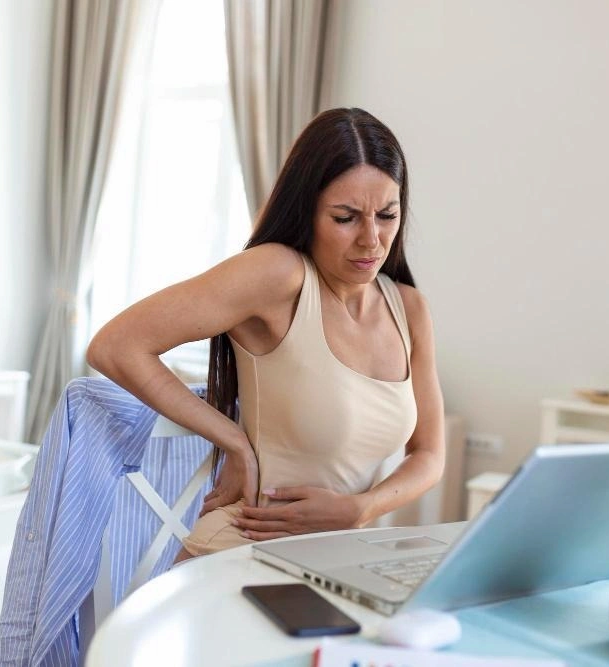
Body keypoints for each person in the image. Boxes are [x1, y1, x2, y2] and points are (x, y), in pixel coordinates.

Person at [86, 107, 445, 561]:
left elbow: (430, 454)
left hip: (335, 563)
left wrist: (360, 509)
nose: (371, 240)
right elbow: (115, 346)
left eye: (387, 215)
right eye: (345, 217)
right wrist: (232, 439)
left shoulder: (408, 308)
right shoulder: (279, 275)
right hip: (241, 555)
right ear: (307, 211)